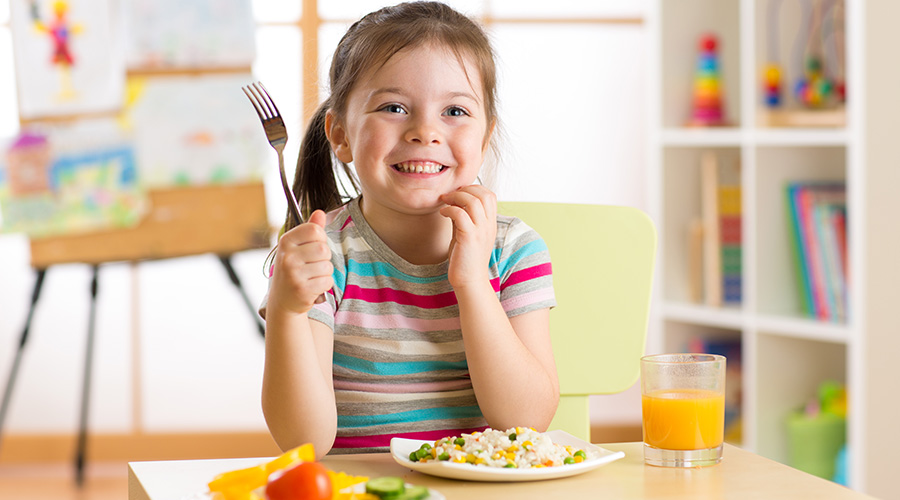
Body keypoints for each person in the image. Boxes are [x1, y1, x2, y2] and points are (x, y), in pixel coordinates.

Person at [260, 1, 559, 458]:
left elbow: (527, 421)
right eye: (394, 107)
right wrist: (286, 310)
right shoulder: (323, 256)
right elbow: (304, 443)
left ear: (485, 136)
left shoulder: (513, 250)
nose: (425, 131)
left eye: (455, 112)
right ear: (340, 135)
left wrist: (473, 283)